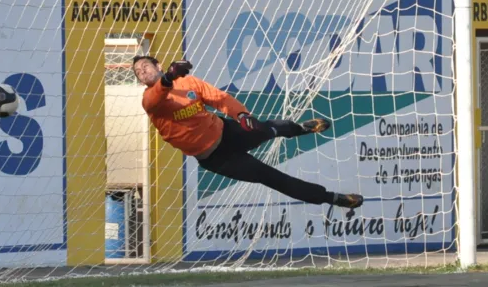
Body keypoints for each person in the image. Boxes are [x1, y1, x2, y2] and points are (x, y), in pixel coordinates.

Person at [132, 56, 364, 209]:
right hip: (216, 158)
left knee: (271, 128)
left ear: (158, 64)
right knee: (271, 177)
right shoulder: (150, 100)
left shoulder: (189, 82)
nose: (142, 72)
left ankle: (301, 128)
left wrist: (241, 115)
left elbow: (219, 98)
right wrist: (168, 77)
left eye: (145, 66)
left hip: (227, 131)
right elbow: (156, 96)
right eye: (138, 72)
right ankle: (331, 198)